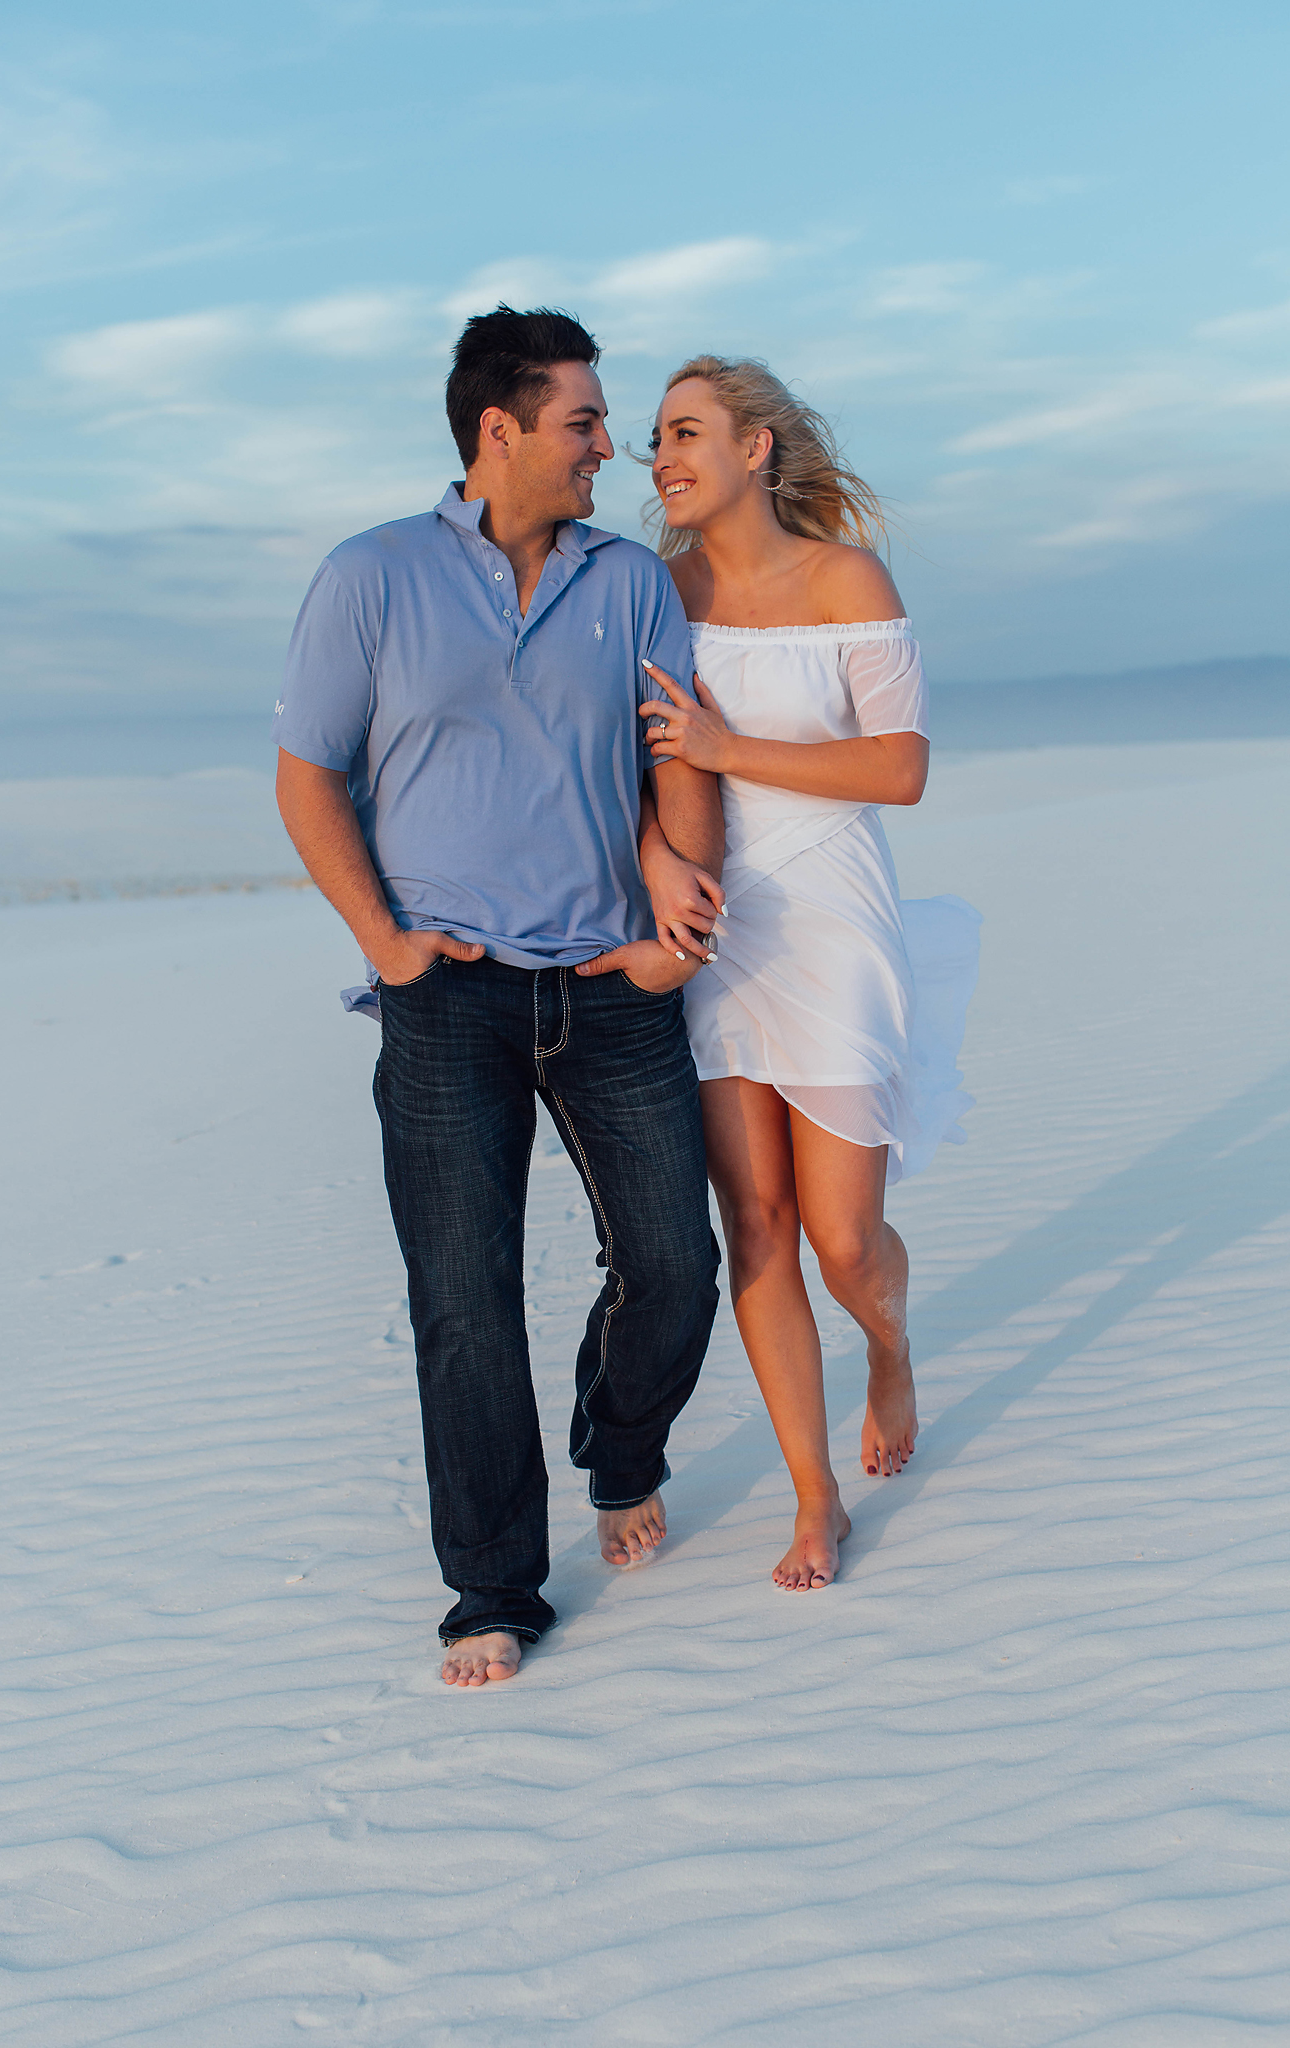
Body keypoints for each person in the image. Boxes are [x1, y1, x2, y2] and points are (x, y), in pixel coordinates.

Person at [272, 308, 724, 1686]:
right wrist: (387, 942)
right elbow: (309, 775)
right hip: (446, 994)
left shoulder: (631, 581)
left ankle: (622, 1447)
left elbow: (674, 761)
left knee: (674, 1268)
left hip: (610, 986)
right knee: (462, 1298)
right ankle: (493, 1588)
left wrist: (676, 917)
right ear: (500, 431)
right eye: (586, 423)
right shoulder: (371, 577)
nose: (611, 447)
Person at [636, 355, 980, 1594]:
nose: (659, 456)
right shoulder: (655, 594)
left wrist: (733, 745)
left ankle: (888, 1344)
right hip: (720, 930)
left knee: (841, 1235)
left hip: (832, 916)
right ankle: (814, 1493)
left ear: (757, 449)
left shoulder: (847, 579)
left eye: (685, 432)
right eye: (653, 439)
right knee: (760, 1228)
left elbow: (901, 769)